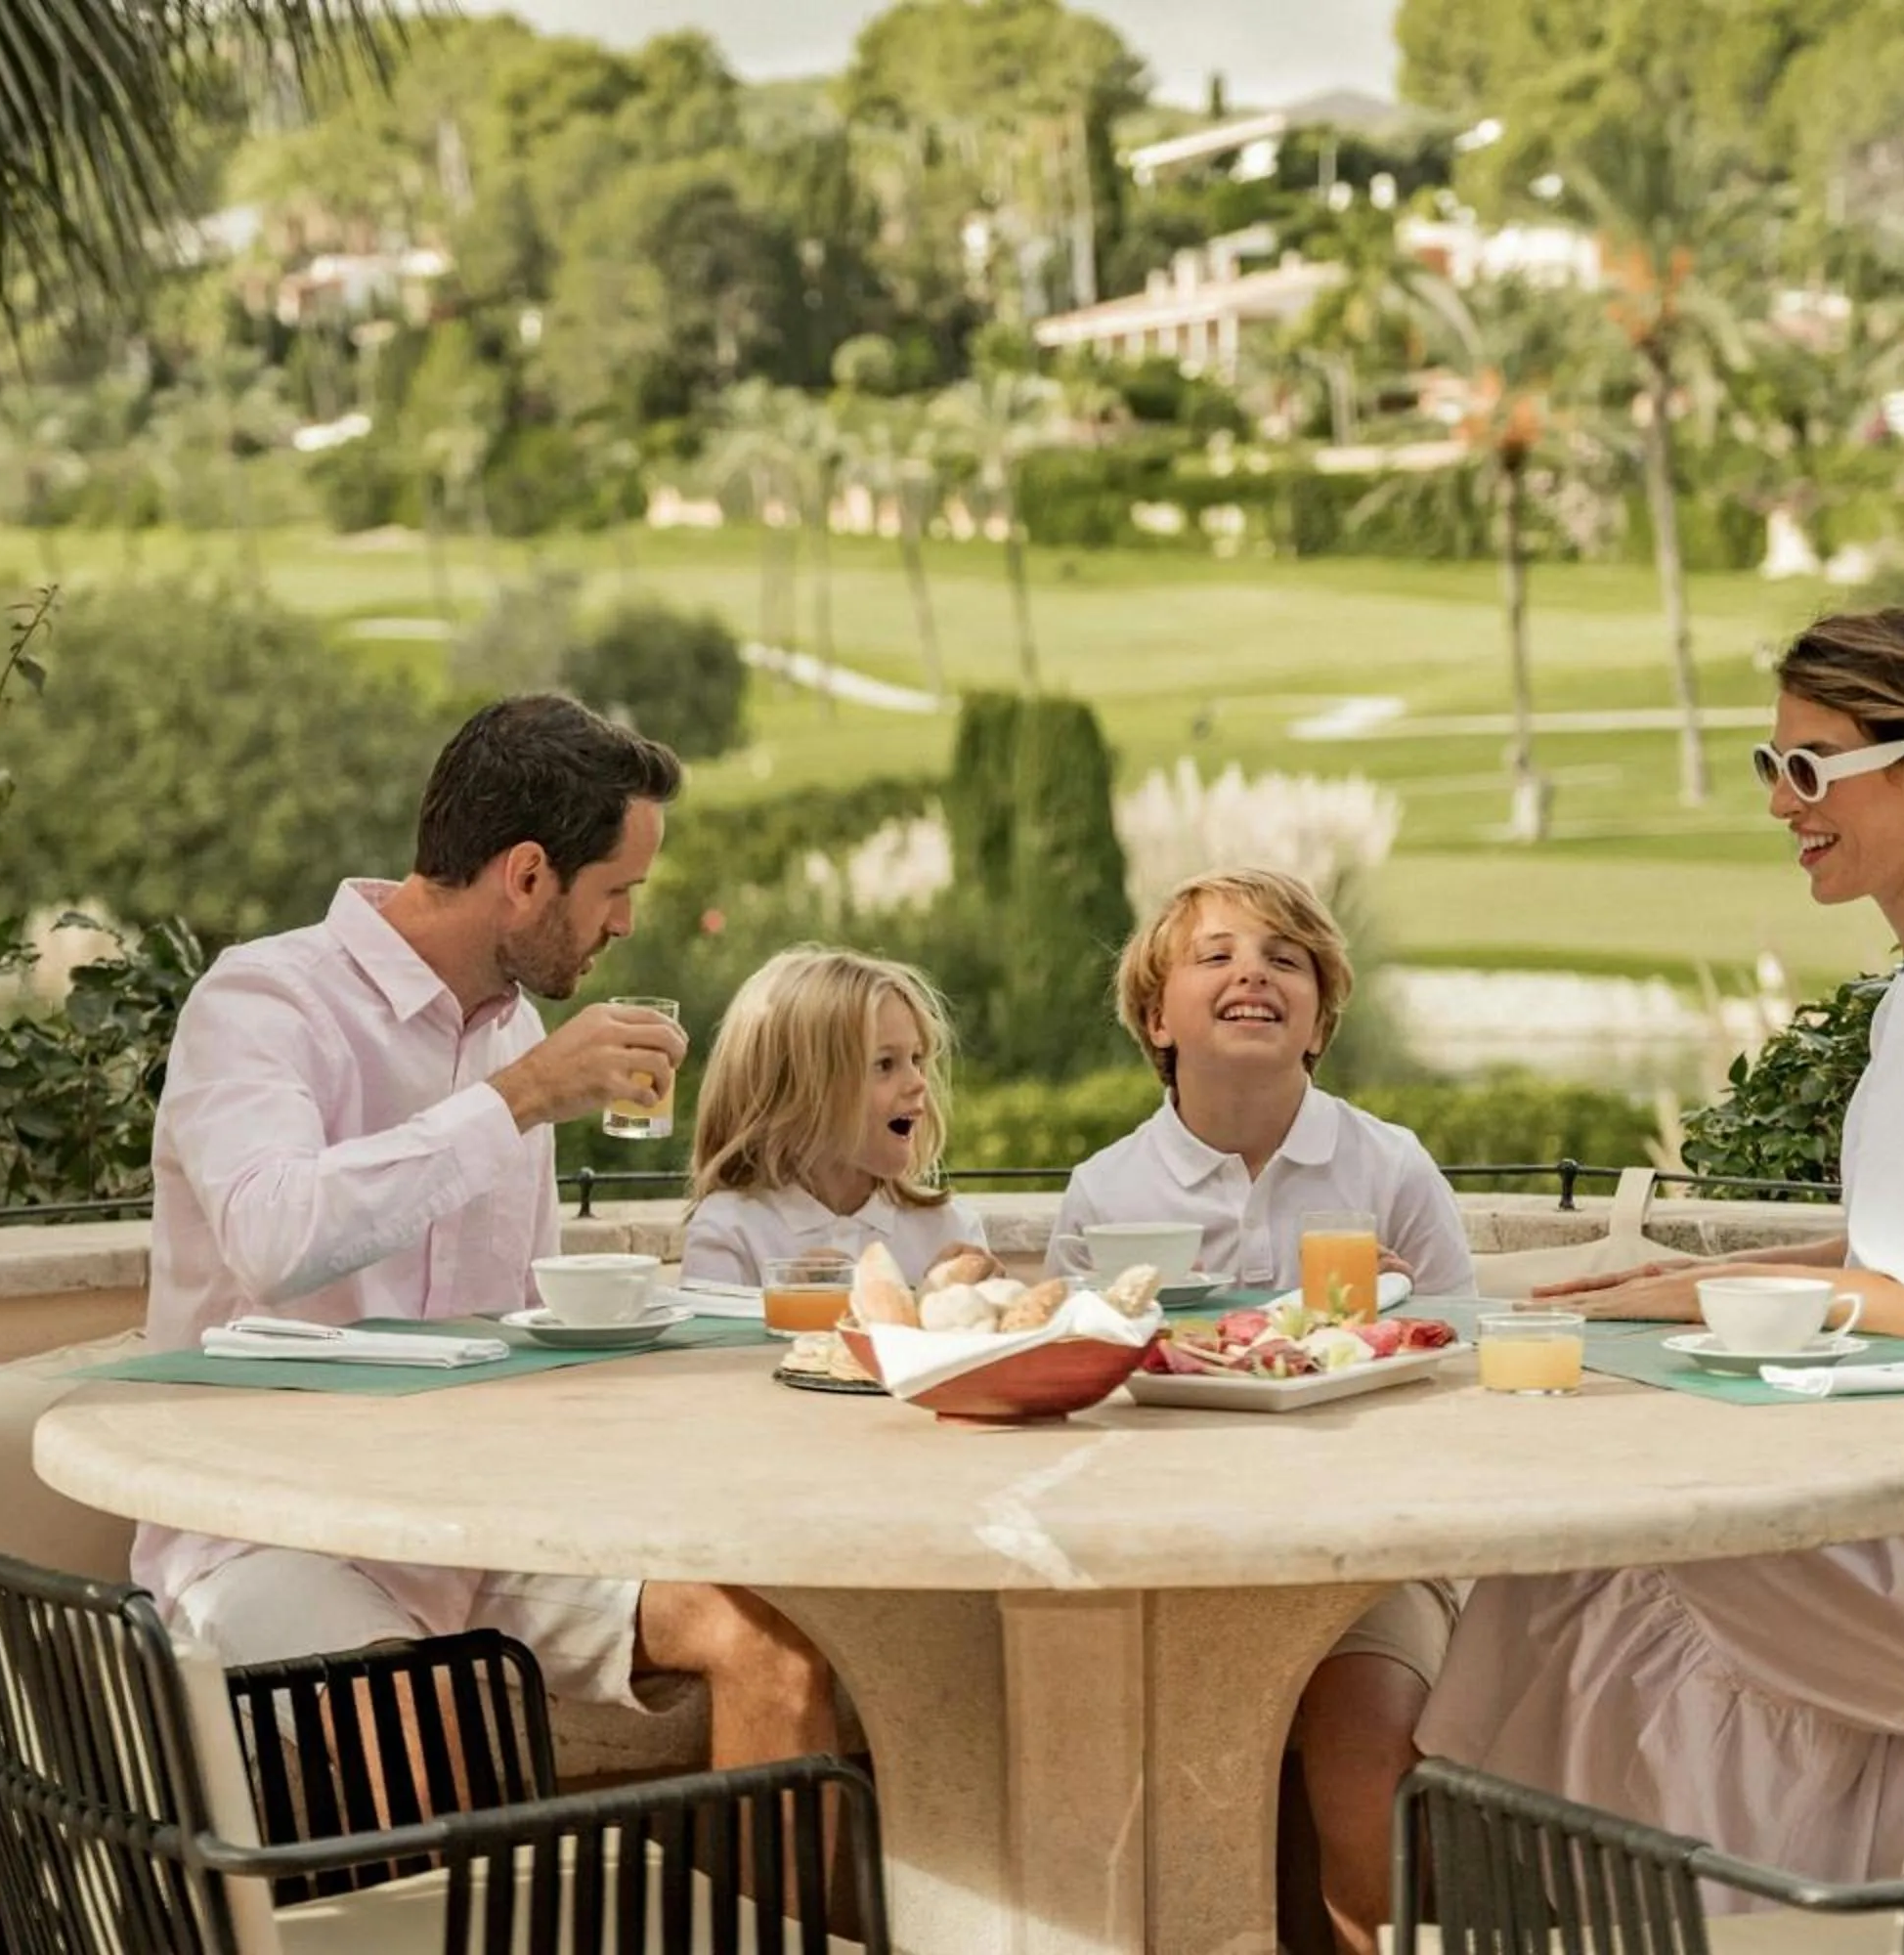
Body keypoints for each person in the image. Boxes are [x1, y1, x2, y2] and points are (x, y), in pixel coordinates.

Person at [1414, 610, 1904, 1908]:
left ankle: (1559, 1897)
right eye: (1771, 767)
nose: (1784, 804)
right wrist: (1675, 1281)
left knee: (1628, 1549)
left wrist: (1681, 1294)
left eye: (1812, 768)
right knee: (1622, 1557)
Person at [138, 693, 835, 1770]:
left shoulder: (513, 1034)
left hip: (476, 1529)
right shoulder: (266, 1001)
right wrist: (515, 1096)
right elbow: (272, 1235)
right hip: (275, 1535)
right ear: (525, 875)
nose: (626, 924)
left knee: (773, 1649)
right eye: (617, 891)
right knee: (438, 1728)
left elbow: (516, 1321)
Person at [1057, 867, 1474, 1955]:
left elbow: (1466, 1368)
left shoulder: (1389, 1165)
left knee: (1365, 1748)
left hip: (1369, 1554)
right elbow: (1067, 1389)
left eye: (1285, 958)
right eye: (1217, 954)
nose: (1254, 971)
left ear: (1321, 1017)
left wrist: (1395, 1324)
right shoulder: (1107, 1191)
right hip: (1163, 1554)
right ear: (1158, 1015)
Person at [679, 946, 989, 1284]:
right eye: (885, 1064)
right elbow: (719, 1339)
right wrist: (786, 1307)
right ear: (800, 1089)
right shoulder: (729, 1230)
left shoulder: (950, 1227)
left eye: (916, 1059)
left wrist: (949, 1312)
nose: (918, 1083)